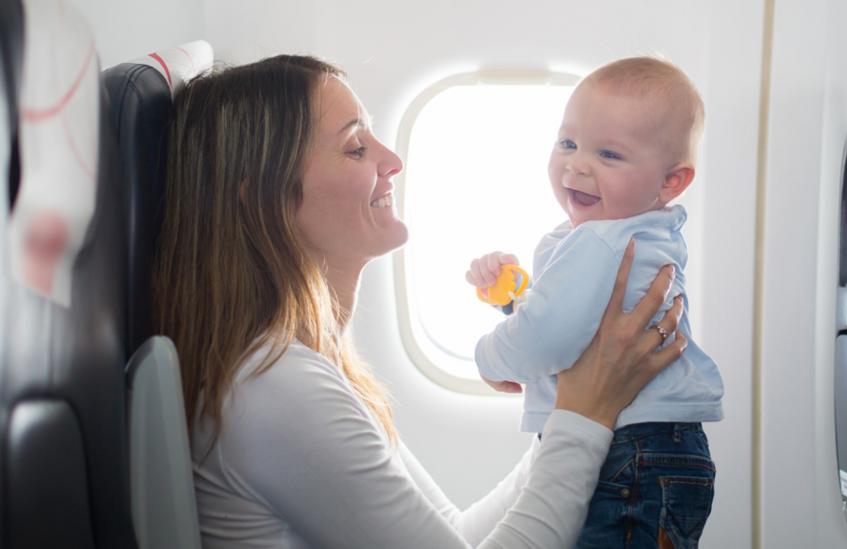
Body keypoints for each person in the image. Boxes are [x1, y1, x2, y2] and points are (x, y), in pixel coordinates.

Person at [153, 54, 688, 549]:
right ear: (265, 196)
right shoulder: (274, 387)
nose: (391, 160)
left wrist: (578, 402)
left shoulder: (311, 366)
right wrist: (584, 411)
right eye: (355, 147)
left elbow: (456, 534)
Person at [466, 56, 724, 548]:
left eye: (608, 155)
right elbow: (578, 324)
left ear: (671, 181)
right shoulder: (637, 233)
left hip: (628, 451)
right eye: (568, 143)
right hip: (659, 449)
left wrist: (489, 357)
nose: (577, 164)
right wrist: (514, 299)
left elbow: (550, 338)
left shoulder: (599, 242)